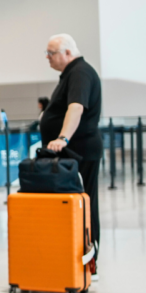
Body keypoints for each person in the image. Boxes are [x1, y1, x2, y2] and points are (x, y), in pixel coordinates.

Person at [42, 33, 102, 277]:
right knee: (74, 207)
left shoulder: (79, 72)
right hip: (72, 152)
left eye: (51, 52)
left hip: (79, 151)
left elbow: (76, 107)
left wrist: (63, 138)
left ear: (67, 53)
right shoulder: (72, 73)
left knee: (85, 207)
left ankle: (91, 265)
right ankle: (74, 260)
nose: (47, 57)